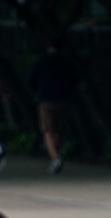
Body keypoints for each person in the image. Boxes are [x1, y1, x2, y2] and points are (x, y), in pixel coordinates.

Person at [29, 39, 76, 174]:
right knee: (58, 131)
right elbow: (73, 81)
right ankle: (55, 157)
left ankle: (55, 158)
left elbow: (32, 80)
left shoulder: (41, 61)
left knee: (47, 131)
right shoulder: (66, 62)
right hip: (62, 100)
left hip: (46, 100)